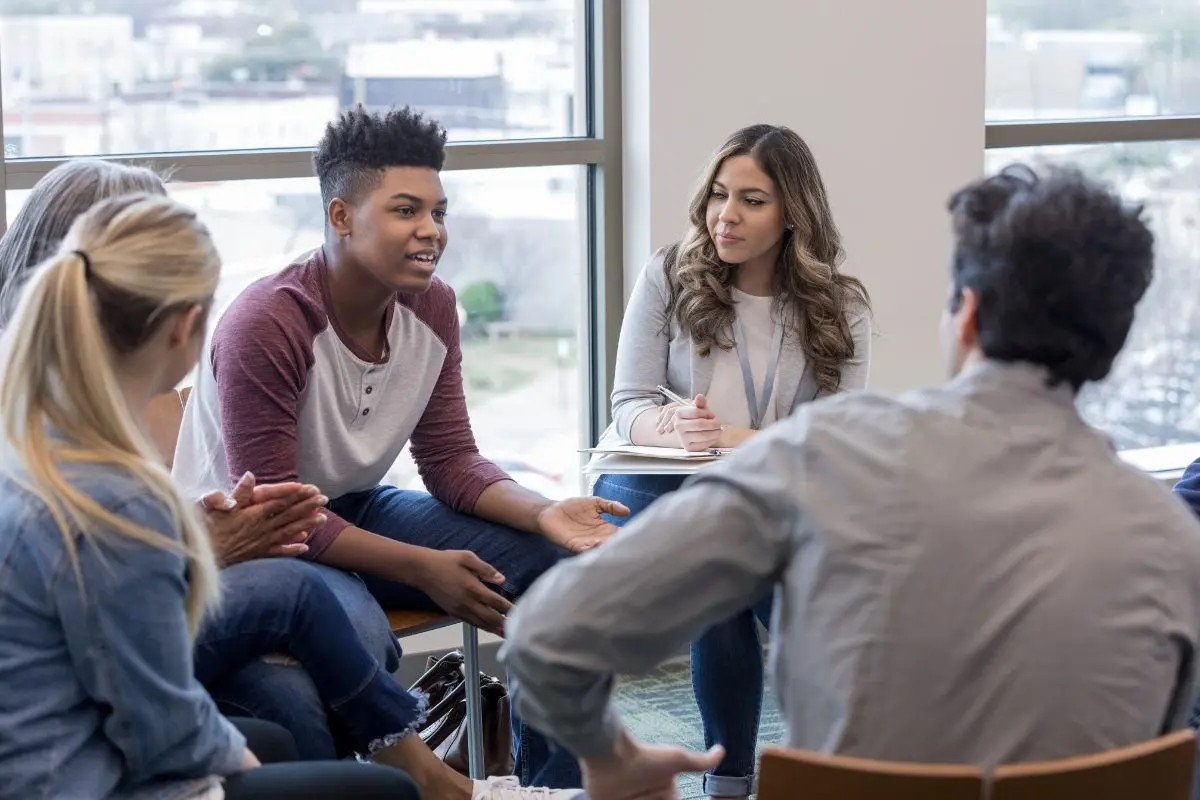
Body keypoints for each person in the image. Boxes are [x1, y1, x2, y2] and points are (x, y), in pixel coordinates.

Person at [501, 164, 1200, 800]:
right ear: (1109, 349)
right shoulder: (1175, 540)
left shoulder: (822, 455)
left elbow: (544, 641)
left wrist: (614, 755)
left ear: (969, 314)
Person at [171, 104, 627, 789]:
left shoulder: (433, 307)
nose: (431, 231)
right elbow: (281, 518)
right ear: (341, 216)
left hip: (353, 507)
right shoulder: (267, 324)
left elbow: (449, 461)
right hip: (255, 542)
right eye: (406, 210)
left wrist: (543, 513)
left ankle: (546, 785)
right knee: (358, 636)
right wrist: (421, 567)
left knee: (554, 567)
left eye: (438, 212)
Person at [0, 193, 419, 799]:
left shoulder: (43, 438)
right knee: (377, 792)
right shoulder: (114, 493)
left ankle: (410, 762)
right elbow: (158, 730)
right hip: (80, 775)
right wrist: (239, 765)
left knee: (280, 720)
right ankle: (416, 774)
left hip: (50, 738)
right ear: (185, 326)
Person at [591, 123, 870, 798]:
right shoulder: (668, 273)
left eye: (751, 200)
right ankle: (746, 782)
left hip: (765, 490)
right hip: (659, 485)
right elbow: (627, 402)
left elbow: (832, 436)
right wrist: (671, 424)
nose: (726, 215)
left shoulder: (840, 305)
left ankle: (759, 779)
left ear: (792, 214)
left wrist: (743, 441)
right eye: (719, 194)